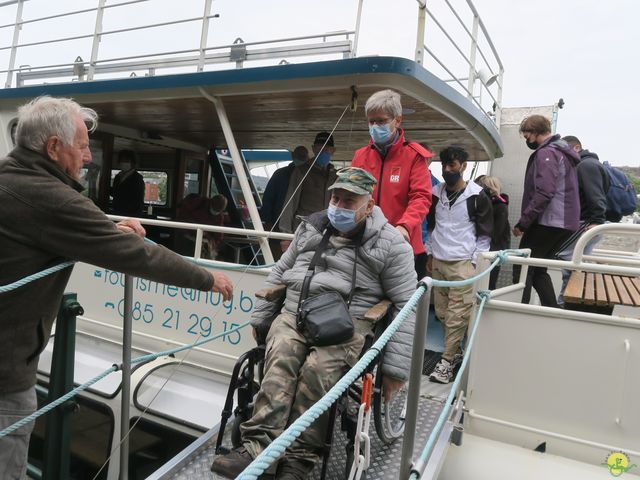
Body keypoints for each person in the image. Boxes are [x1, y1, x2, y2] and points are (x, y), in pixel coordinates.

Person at [0, 96, 234, 480]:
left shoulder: (10, 176)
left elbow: (52, 225)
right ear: (53, 148)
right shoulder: (50, 197)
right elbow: (136, 255)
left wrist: (105, 230)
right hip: (5, 378)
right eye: (81, 146)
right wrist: (207, 278)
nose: (89, 157)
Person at [211, 167, 417, 480]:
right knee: (280, 356)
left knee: (316, 371)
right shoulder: (311, 228)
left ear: (369, 205)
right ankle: (257, 447)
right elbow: (279, 272)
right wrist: (262, 315)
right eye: (336, 198)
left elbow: (405, 304)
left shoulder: (391, 244)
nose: (339, 205)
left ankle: (298, 459)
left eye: (349, 201)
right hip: (296, 313)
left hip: (346, 325)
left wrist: (394, 370)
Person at [426, 146, 492, 384]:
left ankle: (445, 362)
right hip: (439, 261)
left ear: (463, 166)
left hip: (463, 263)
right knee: (442, 313)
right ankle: (455, 352)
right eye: (443, 165)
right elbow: (432, 226)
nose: (446, 170)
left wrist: (475, 263)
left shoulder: (477, 196)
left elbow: (485, 235)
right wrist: (430, 254)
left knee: (457, 314)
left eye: (452, 165)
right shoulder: (436, 193)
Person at [351, 89, 432, 276]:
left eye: (381, 121)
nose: (375, 126)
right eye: (371, 121)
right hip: (366, 243)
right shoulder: (360, 156)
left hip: (403, 244)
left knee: (404, 302)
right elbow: (352, 196)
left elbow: (421, 197)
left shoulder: (414, 156)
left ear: (397, 120)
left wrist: (405, 226)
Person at [512, 115, 580, 307]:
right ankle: (551, 310)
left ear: (534, 132)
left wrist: (523, 222)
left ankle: (519, 312)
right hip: (566, 223)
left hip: (550, 221)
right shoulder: (563, 152)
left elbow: (545, 191)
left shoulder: (546, 153)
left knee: (523, 267)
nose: (527, 140)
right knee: (538, 269)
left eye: (527, 136)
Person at [555, 135, 611, 312]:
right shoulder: (591, 164)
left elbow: (596, 196)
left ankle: (565, 305)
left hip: (586, 223)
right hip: (588, 222)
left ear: (576, 148)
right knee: (576, 265)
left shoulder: (585, 166)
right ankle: (572, 304)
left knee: (566, 259)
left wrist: (597, 221)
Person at [278, 133, 337, 251]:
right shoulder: (301, 171)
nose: (323, 152)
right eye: (320, 149)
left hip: (327, 233)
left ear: (333, 151)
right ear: (313, 149)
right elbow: (290, 202)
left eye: (327, 149)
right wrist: (285, 235)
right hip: (303, 231)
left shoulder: (335, 175)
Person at [475, 175, 510, 289]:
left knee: (488, 282)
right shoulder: (491, 205)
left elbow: (496, 232)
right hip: (485, 248)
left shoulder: (500, 206)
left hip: (493, 249)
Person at [175, 193, 230, 259]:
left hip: (202, 240)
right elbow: (182, 214)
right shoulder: (198, 202)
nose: (215, 212)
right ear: (211, 202)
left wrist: (212, 244)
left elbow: (218, 235)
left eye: (218, 211)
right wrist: (190, 229)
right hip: (186, 235)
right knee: (183, 257)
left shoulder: (219, 217)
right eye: (215, 208)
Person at [418, 142, 440, 279]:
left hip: (424, 242)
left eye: (423, 158)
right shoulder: (404, 179)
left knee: (420, 281)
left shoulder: (436, 186)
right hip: (402, 237)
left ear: (430, 160)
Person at [111, 149, 146, 216]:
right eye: (122, 161)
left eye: (126, 161)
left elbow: (137, 201)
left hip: (131, 215)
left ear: (132, 163)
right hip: (116, 213)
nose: (123, 163)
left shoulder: (137, 179)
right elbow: (115, 193)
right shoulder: (118, 177)